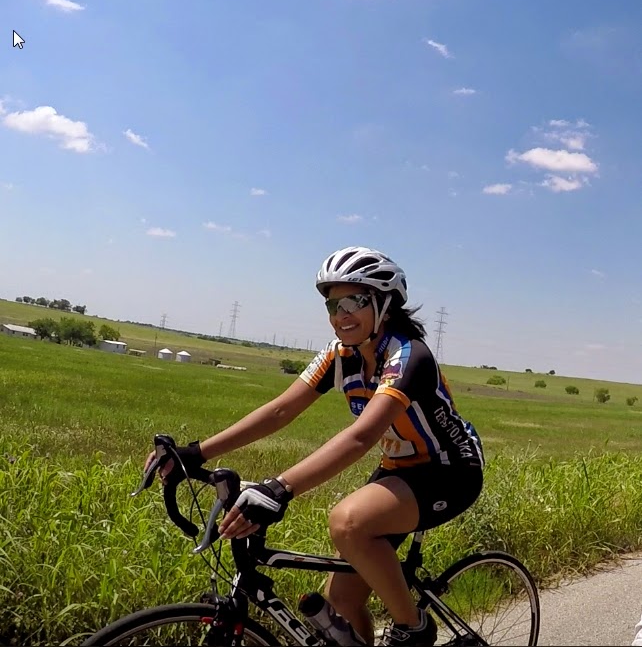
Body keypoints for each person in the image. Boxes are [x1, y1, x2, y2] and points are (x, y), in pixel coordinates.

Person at [147, 246, 484, 646]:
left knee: (348, 523)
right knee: (341, 601)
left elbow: (361, 437)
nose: (341, 315)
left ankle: (414, 628)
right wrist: (196, 452)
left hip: (449, 471)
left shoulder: (409, 356)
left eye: (354, 302)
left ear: (385, 305)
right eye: (333, 305)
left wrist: (279, 488)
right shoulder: (340, 355)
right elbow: (280, 411)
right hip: (399, 469)